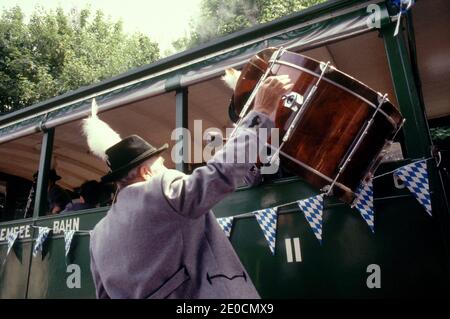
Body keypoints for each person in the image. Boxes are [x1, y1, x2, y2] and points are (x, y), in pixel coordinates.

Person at [84, 75, 293, 299]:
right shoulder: (159, 190)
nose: (168, 168)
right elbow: (221, 173)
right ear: (146, 172)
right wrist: (260, 112)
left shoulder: (97, 237)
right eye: (162, 164)